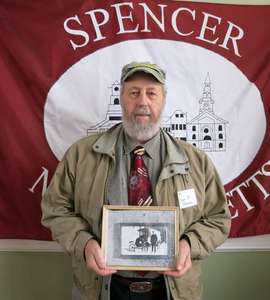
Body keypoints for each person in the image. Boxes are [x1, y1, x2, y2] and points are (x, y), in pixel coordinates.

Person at [41, 61, 231, 300]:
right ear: (121, 99)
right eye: (134, 93)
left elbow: (218, 217)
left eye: (152, 93)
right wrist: (84, 243)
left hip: (174, 290)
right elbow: (55, 209)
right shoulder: (81, 155)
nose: (143, 102)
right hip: (101, 289)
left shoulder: (196, 161)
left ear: (162, 102)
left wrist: (190, 244)